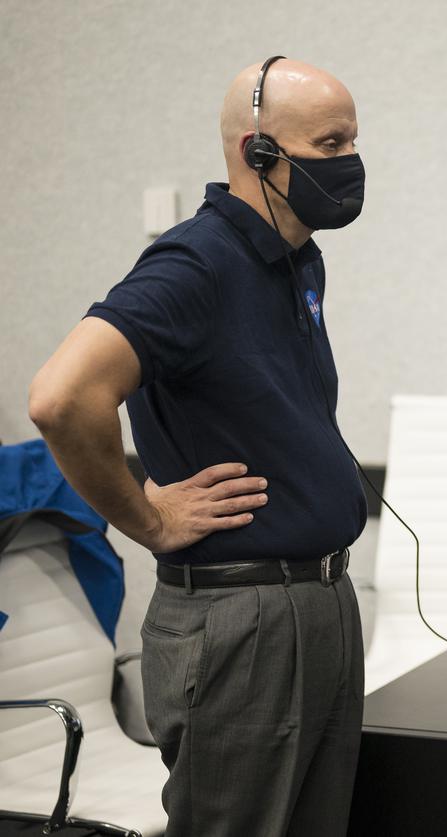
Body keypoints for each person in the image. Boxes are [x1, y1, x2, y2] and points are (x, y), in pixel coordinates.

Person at [28, 57, 368, 836]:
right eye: (330, 141)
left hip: (318, 600)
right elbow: (61, 397)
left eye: (352, 139)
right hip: (243, 620)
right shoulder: (196, 262)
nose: (349, 161)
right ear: (258, 152)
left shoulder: (293, 259)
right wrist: (146, 515)